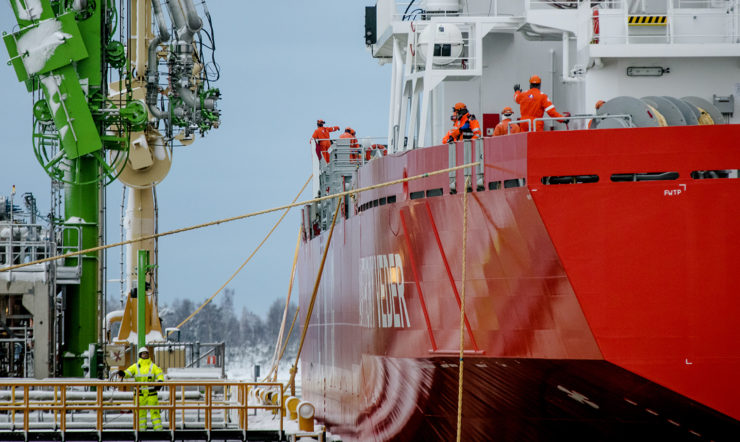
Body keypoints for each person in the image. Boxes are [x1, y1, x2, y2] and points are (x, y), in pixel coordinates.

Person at [118, 347, 165, 431]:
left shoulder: (153, 366)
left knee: (155, 413)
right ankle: (141, 431)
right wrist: (123, 373)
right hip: (140, 395)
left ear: (148, 354)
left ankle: (158, 431)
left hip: (151, 394)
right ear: (140, 355)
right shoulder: (135, 366)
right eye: (143, 353)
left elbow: (159, 374)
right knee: (140, 414)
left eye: (146, 353)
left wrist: (160, 382)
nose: (145, 355)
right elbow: (128, 372)